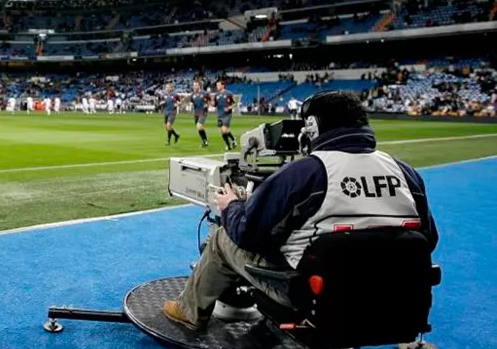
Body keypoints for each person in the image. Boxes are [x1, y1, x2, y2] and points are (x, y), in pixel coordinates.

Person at [162, 91, 439, 331]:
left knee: (223, 237)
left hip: (313, 296)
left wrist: (231, 206)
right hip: (390, 298)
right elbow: (429, 240)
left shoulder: (306, 173)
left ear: (313, 127)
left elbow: (247, 233)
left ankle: (190, 312)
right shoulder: (405, 173)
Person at [214, 80, 238, 150]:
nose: (217, 87)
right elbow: (215, 105)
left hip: (227, 114)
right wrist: (212, 104)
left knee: (224, 130)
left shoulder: (228, 93)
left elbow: (235, 103)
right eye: (216, 85)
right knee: (222, 131)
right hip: (219, 115)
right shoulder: (216, 95)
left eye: (218, 85)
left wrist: (229, 107)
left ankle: (233, 140)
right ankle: (229, 145)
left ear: (222, 85)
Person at [191, 81, 210, 148]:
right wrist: (191, 105)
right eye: (194, 85)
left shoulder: (205, 93)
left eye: (196, 85)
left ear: (199, 86)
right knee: (199, 127)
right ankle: (205, 139)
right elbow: (192, 102)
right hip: (196, 113)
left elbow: (209, 101)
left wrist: (207, 105)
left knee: (199, 126)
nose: (194, 86)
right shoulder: (193, 94)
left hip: (203, 112)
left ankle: (205, 141)